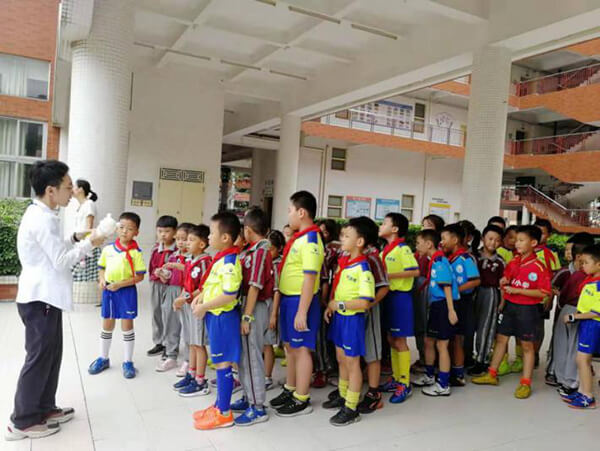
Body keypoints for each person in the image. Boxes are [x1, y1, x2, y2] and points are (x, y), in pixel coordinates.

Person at [6, 160, 104, 441]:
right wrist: (90, 243)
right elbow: (61, 261)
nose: (72, 192)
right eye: (68, 187)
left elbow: (53, 249)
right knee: (39, 358)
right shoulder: (42, 219)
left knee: (51, 355)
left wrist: (74, 237)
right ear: (51, 190)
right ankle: (22, 421)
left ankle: (44, 408)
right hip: (40, 299)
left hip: (46, 298)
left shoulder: (44, 214)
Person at [472, 225, 552, 399]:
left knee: (527, 346)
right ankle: (492, 374)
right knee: (501, 339)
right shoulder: (514, 261)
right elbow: (507, 278)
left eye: (521, 240)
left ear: (533, 243)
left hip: (528, 310)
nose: (517, 243)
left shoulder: (539, 267)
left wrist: (518, 291)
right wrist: (504, 280)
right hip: (510, 306)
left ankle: (526, 383)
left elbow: (543, 293)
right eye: (516, 240)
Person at [270, 191, 325, 417]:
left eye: (290, 210)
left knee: (301, 350)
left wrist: (302, 312)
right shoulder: (299, 238)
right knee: (290, 347)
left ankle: (302, 398)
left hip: (301, 302)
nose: (289, 215)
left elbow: (310, 277)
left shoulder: (311, 240)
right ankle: (290, 388)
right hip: (289, 299)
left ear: (301, 212)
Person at [192, 212, 243, 430]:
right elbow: (213, 285)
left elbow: (229, 295)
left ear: (225, 238)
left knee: (223, 365)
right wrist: (201, 296)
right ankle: (218, 405)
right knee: (220, 363)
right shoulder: (221, 258)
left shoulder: (230, 263)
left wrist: (204, 306)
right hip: (215, 317)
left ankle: (224, 413)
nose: (209, 237)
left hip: (223, 318)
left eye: (212, 233)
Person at [323, 217, 375, 426]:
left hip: (352, 320)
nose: (342, 239)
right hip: (340, 318)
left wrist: (340, 305)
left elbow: (365, 302)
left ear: (359, 242)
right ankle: (343, 395)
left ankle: (351, 407)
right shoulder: (346, 263)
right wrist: (331, 307)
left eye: (346, 236)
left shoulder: (363, 269)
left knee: (352, 363)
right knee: (341, 358)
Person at [231, 207, 275, 426]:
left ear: (247, 230)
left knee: (252, 357)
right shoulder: (251, 251)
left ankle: (257, 407)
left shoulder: (260, 253)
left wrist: (246, 317)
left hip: (254, 308)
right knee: (244, 356)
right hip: (248, 305)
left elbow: (255, 287)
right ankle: (249, 396)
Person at [88, 212, 146, 379]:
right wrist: (102, 280)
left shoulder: (136, 253)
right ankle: (103, 358)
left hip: (126, 292)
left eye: (129, 229)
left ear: (136, 232)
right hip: (109, 291)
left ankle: (128, 362)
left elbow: (140, 277)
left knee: (127, 326)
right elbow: (102, 268)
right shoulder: (108, 249)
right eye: (121, 227)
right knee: (107, 324)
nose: (124, 231)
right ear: (116, 228)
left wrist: (119, 285)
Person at [412, 229, 459, 396]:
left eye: (418, 243)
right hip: (436, 304)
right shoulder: (434, 260)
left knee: (442, 345)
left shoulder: (439, 261)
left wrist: (451, 310)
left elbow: (447, 286)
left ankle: (443, 384)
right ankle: (429, 375)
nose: (416, 246)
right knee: (429, 341)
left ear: (428, 244)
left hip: (443, 305)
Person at [378, 212, 419, 402]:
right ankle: (395, 378)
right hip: (388, 297)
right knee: (391, 339)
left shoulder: (403, 249)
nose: (381, 226)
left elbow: (415, 271)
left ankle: (404, 382)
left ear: (394, 229)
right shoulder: (385, 250)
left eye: (384, 223)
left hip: (400, 298)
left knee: (400, 341)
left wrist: (389, 276)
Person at [546, 234, 594, 395]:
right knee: (572, 348)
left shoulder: (580, 275)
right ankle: (570, 381)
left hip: (572, 311)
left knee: (565, 346)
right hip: (576, 312)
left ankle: (565, 380)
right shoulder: (581, 275)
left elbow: (564, 294)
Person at [172, 224, 212, 397]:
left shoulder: (205, 261)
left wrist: (185, 298)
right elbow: (187, 284)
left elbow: (204, 288)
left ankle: (200, 381)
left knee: (198, 344)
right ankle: (192, 374)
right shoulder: (190, 260)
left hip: (197, 306)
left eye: (191, 240)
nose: (187, 243)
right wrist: (180, 298)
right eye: (186, 240)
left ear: (202, 244)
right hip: (188, 305)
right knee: (191, 342)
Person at [441, 223, 480, 386]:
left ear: (455, 240)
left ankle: (458, 374)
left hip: (462, 303)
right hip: (451, 301)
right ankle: (449, 370)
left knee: (458, 339)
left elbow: (475, 281)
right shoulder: (448, 258)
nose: (441, 242)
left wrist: (454, 290)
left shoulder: (465, 258)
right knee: (449, 338)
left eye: (444, 238)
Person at [561, 244, 600, 409]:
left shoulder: (598, 284)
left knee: (583, 360)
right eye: (582, 262)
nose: (582, 265)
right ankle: (582, 391)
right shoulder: (590, 280)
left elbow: (596, 312)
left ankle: (588, 397)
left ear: (598, 264)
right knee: (582, 359)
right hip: (586, 324)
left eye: (586, 262)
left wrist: (573, 316)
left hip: (593, 324)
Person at [357, 217, 389, 414]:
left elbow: (384, 287)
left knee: (372, 351)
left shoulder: (372, 258)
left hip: (369, 310)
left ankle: (374, 393)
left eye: (348, 234)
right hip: (352, 312)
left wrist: (369, 304)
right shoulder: (351, 256)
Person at [469, 225, 505, 376]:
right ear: (483, 238)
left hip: (490, 294)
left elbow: (503, 284)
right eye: (490, 238)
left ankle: (482, 360)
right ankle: (467, 357)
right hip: (472, 292)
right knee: (469, 326)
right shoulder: (473, 256)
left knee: (485, 327)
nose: (493, 242)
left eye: (497, 240)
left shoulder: (500, 262)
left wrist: (502, 302)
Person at [412, 214, 445, 373]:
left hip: (428, 290)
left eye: (429, 226)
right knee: (420, 325)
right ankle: (423, 357)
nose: (424, 228)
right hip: (419, 288)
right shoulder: (419, 251)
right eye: (423, 225)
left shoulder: (438, 255)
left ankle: (430, 361)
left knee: (428, 327)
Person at [164, 222, 194, 377]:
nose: (181, 242)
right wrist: (163, 274)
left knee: (188, 328)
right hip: (172, 290)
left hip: (186, 293)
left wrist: (177, 266)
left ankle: (188, 360)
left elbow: (190, 271)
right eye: (178, 239)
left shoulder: (192, 258)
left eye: (185, 239)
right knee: (171, 324)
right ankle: (171, 355)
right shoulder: (173, 255)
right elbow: (169, 276)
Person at [314, 219, 341, 388]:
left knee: (323, 335)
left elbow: (325, 278)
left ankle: (323, 370)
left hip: (330, 297)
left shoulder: (330, 249)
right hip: (328, 296)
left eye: (324, 232)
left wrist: (324, 300)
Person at [147, 216, 179, 360]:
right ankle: (159, 342)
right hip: (156, 284)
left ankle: (170, 345)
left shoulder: (177, 250)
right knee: (156, 312)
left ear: (175, 232)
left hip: (171, 286)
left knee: (170, 315)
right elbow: (151, 267)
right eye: (160, 231)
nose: (163, 235)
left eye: (167, 231)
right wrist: (156, 274)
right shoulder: (155, 248)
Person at [71, 179, 101, 304]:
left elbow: (89, 226)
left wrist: (86, 244)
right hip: (81, 244)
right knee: (94, 273)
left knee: (98, 273)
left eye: (74, 187)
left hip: (88, 245)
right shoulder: (81, 206)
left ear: (81, 189)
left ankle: (104, 298)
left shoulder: (89, 204)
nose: (71, 189)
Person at [266, 229, 286, 385]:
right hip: (266, 305)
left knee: (269, 342)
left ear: (279, 248)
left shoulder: (278, 264)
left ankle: (267, 377)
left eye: (271, 249)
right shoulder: (265, 262)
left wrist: (273, 314)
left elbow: (277, 290)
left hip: (275, 306)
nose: (268, 252)